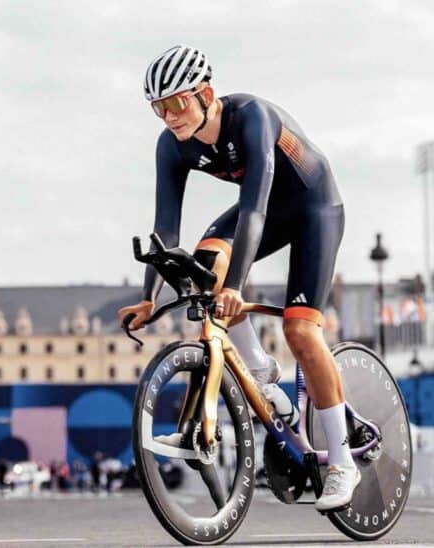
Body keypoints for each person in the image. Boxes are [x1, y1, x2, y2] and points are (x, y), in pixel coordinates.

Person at [118, 45, 358, 511]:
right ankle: (260, 369)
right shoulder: (172, 144)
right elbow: (165, 228)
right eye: (157, 107)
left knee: (300, 331)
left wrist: (234, 287)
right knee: (203, 266)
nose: (167, 116)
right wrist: (149, 296)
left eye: (175, 103)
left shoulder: (252, 118)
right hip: (264, 214)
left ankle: (343, 462)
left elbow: (254, 210)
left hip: (313, 210)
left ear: (205, 93)